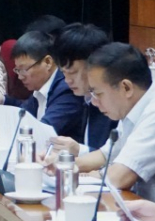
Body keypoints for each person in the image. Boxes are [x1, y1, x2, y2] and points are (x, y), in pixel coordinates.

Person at [74, 43, 155, 205]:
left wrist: (87, 175)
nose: (94, 102)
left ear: (126, 87)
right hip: (141, 210)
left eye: (98, 93)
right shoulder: (134, 106)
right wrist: (66, 164)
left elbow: (118, 178)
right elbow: (105, 155)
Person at [44, 23, 116, 157]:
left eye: (72, 72)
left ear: (96, 65)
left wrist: (79, 151)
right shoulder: (85, 97)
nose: (67, 80)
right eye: (63, 73)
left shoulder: (115, 103)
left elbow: (116, 159)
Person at [1, 31, 85, 142]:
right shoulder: (41, 88)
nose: (20, 77)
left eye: (24, 69)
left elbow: (43, 132)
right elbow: (22, 114)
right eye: (18, 70)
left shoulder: (66, 89)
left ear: (48, 62)